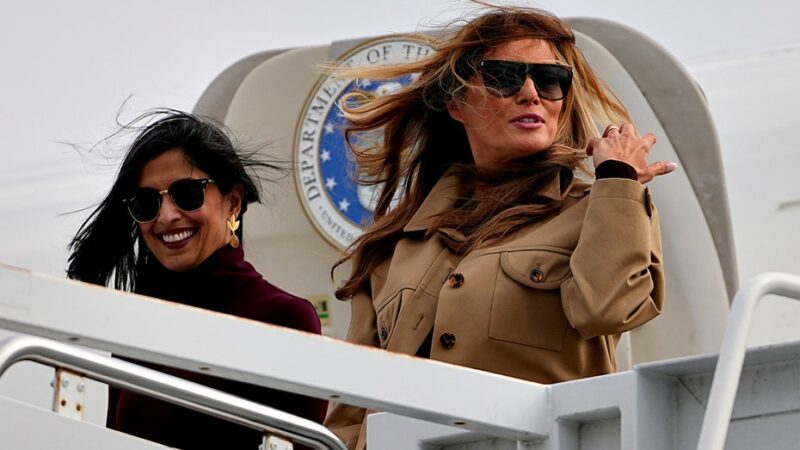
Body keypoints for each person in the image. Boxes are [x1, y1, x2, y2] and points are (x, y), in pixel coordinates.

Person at [325, 6, 671, 449]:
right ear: (456, 103)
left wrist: (618, 182)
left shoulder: (600, 211)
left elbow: (608, 310)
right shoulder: (393, 248)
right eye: (504, 76)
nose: (530, 94)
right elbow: (351, 414)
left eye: (549, 80)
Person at [67, 110, 327, 449]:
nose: (166, 216)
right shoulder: (139, 326)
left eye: (187, 193)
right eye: (146, 203)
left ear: (233, 202)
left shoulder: (286, 319)